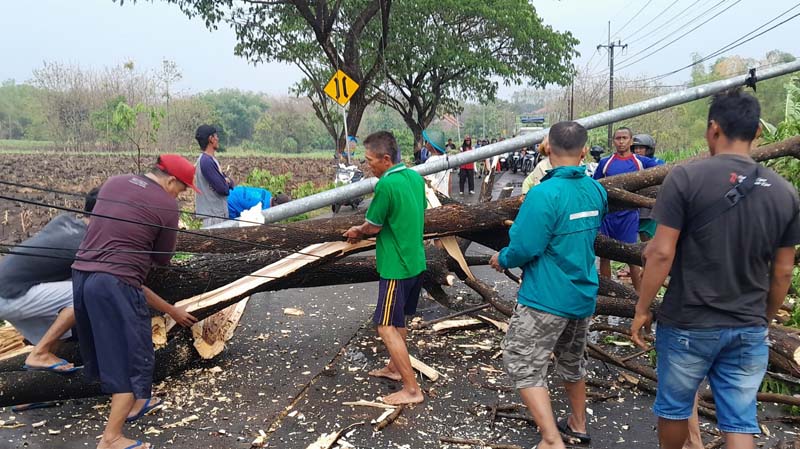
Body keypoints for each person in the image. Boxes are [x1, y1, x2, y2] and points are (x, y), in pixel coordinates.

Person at [630, 90, 800, 449]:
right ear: (757, 131)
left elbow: (660, 253)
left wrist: (643, 308)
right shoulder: (785, 193)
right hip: (747, 325)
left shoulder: (685, 178)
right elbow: (783, 272)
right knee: (739, 420)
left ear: (713, 129)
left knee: (674, 409)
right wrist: (763, 318)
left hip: (688, 322)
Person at [490, 121, 607, 449]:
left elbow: (525, 246)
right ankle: (577, 424)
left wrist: (503, 258)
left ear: (548, 149)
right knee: (572, 361)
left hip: (546, 298)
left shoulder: (543, 194)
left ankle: (551, 439)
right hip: (582, 295)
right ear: (584, 150)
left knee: (520, 360)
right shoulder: (596, 190)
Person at [72, 154, 201, 449]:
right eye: (181, 190)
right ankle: (111, 438)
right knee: (133, 357)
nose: (179, 196)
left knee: (108, 352)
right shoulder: (167, 205)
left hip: (81, 275)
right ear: (171, 180)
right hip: (117, 284)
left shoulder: (114, 182)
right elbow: (161, 260)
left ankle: (133, 407)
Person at [343, 131, 426, 405]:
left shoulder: (386, 186)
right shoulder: (414, 177)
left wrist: (357, 231)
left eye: (370, 161)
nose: (368, 166)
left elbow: (374, 226)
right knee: (399, 319)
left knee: (386, 326)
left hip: (396, 267)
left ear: (386, 159)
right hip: (415, 261)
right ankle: (394, 368)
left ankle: (412, 389)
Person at [593, 127, 660, 291]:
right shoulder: (605, 162)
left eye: (624, 138)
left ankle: (637, 297)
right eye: (618, 138)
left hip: (629, 217)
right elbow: (595, 184)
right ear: (613, 141)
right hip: (608, 217)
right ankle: (607, 294)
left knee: (632, 258)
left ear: (630, 141)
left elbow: (663, 168)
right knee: (604, 257)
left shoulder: (641, 161)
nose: (621, 141)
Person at [194, 125, 235, 228]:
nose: (218, 138)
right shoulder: (206, 161)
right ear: (211, 139)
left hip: (217, 214)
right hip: (214, 217)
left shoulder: (209, 160)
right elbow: (223, 189)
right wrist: (226, 182)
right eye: (216, 136)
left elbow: (229, 182)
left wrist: (226, 181)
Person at [632, 134, 666, 241]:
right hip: (634, 204)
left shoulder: (658, 163)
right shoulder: (633, 163)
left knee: (646, 234)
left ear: (649, 149)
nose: (638, 151)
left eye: (641, 148)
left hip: (650, 205)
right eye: (635, 148)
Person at [227, 186, 291, 220]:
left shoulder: (266, 193)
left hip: (231, 191)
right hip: (229, 204)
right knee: (232, 229)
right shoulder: (263, 212)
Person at [422, 129, 451, 197]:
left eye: (427, 142)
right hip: (445, 195)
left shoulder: (430, 161)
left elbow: (428, 184)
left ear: (431, 144)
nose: (425, 144)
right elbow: (450, 182)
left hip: (435, 198)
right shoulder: (447, 158)